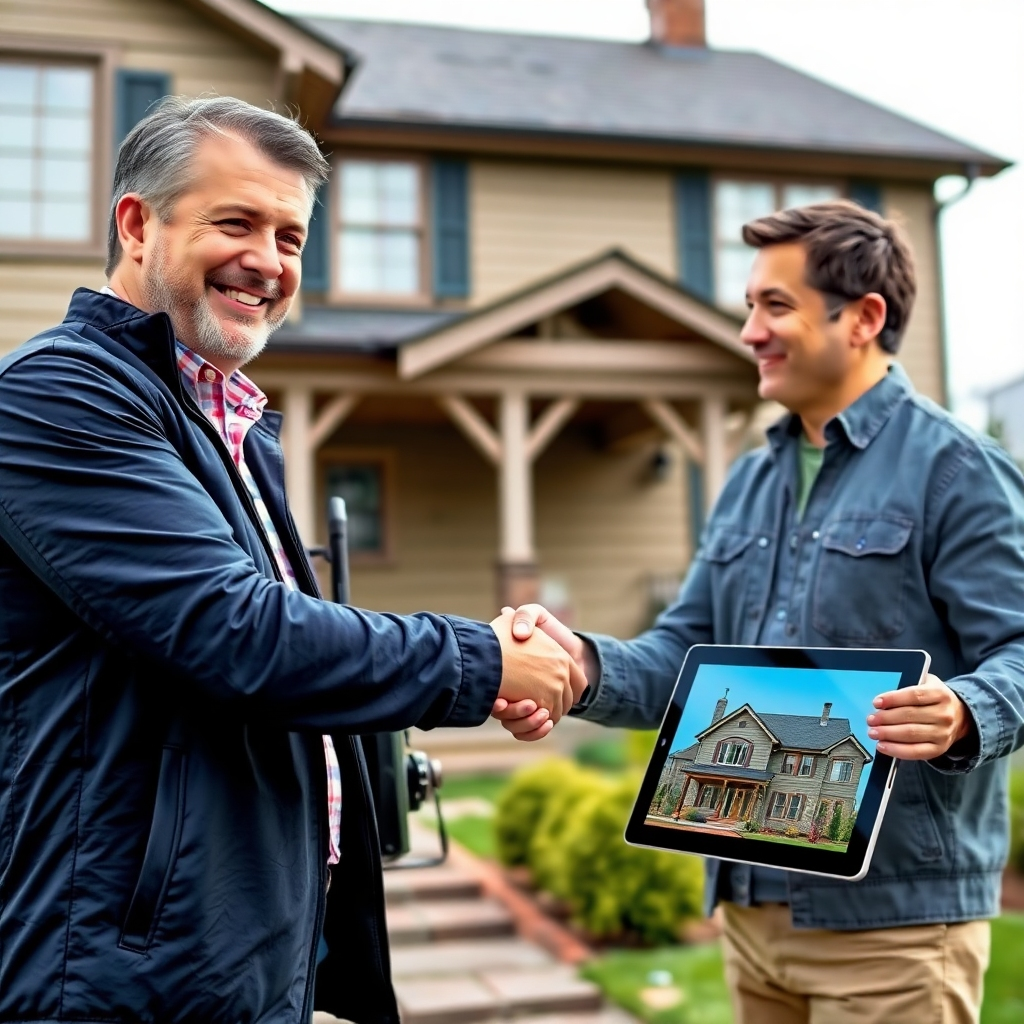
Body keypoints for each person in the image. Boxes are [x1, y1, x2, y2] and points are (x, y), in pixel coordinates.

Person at [0, 96, 585, 1024]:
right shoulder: (60, 394)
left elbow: (282, 663)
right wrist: (483, 661)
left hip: (238, 955)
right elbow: (239, 635)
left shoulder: (225, 421)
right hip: (119, 976)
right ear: (138, 225)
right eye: (235, 223)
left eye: (291, 237)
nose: (269, 262)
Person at [494, 200, 1024, 1023]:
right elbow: (687, 654)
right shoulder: (749, 479)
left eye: (775, 306)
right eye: (749, 306)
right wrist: (581, 665)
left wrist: (964, 709)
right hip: (748, 912)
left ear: (863, 318)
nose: (749, 332)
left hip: (893, 937)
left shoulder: (957, 470)